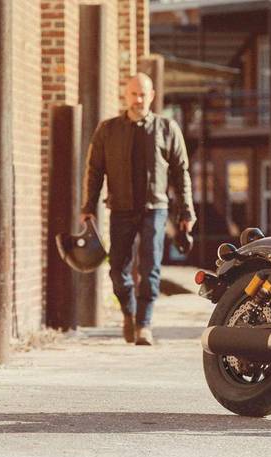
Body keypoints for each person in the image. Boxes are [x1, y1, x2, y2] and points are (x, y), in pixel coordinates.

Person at [80, 73, 195, 345]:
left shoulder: (167, 128)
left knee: (150, 266)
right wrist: (88, 206)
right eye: (133, 94)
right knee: (117, 267)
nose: (138, 100)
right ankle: (128, 312)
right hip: (119, 208)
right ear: (125, 95)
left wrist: (186, 212)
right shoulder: (107, 130)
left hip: (155, 208)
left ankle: (144, 324)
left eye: (143, 94)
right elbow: (95, 171)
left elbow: (181, 174)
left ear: (152, 96)